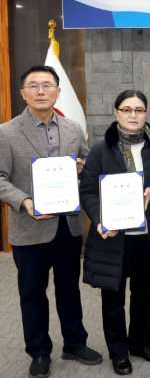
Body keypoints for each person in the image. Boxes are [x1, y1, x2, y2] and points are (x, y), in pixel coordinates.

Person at [0, 65, 102, 378]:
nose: (41, 91)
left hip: (68, 226)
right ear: (23, 93)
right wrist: (25, 202)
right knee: (32, 293)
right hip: (29, 228)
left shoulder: (72, 128)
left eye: (47, 85)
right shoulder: (6, 132)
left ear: (58, 91)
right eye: (33, 85)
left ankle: (74, 343)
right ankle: (39, 351)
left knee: (69, 289)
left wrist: (83, 167)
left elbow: (88, 164)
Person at [79, 90, 150, 375]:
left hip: (147, 236)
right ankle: (118, 352)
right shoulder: (100, 150)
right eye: (127, 109)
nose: (133, 115)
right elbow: (88, 191)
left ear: (146, 113)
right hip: (113, 237)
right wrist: (99, 220)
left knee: (143, 293)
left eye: (139, 110)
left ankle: (140, 343)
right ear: (116, 112)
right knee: (113, 297)